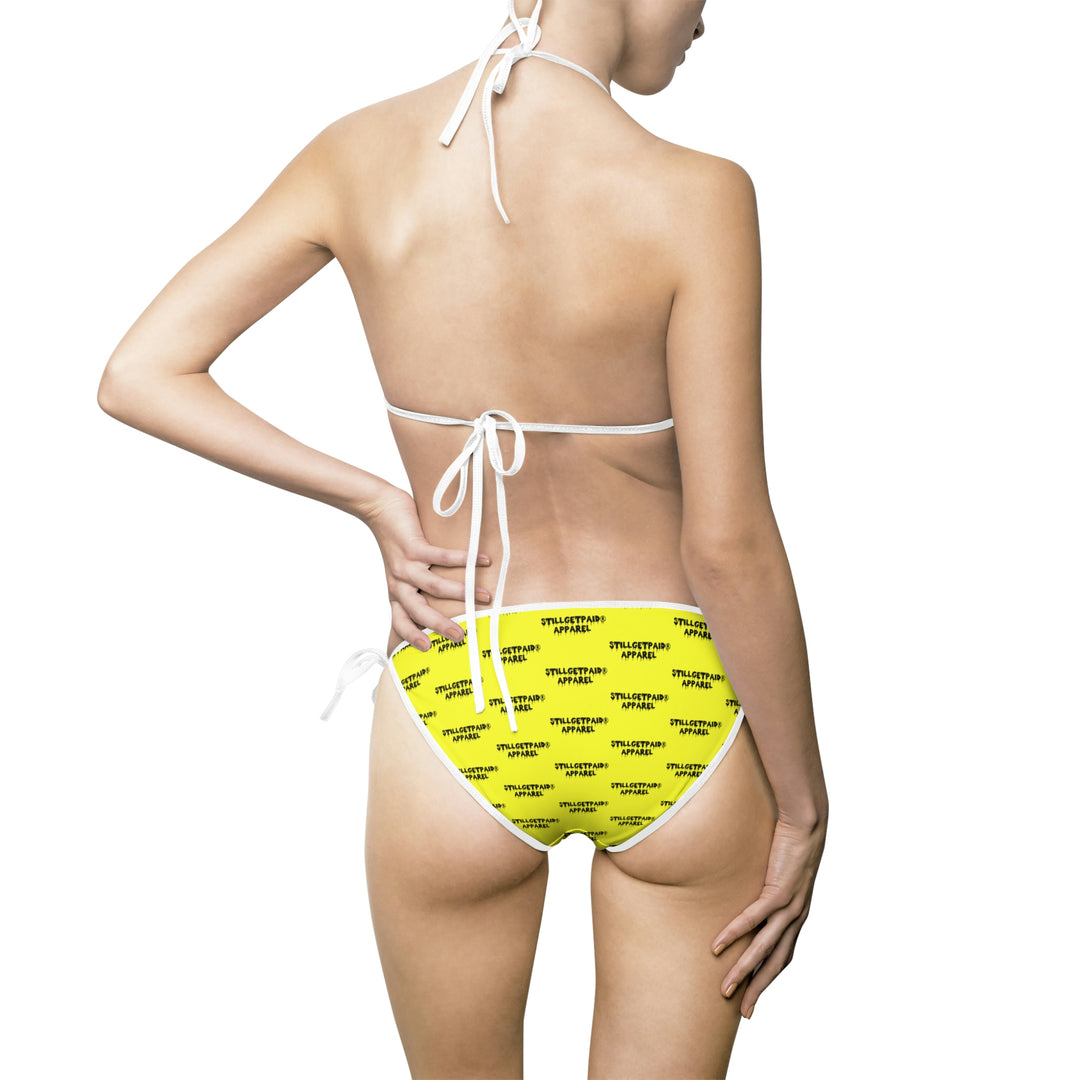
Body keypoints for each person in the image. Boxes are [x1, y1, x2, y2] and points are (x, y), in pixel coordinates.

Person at [97, 0, 829, 1075]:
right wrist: (803, 807)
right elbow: (729, 548)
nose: (706, 18)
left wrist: (380, 502)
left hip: (460, 691)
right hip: (674, 703)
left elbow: (140, 372)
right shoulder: (700, 193)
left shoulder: (358, 156)